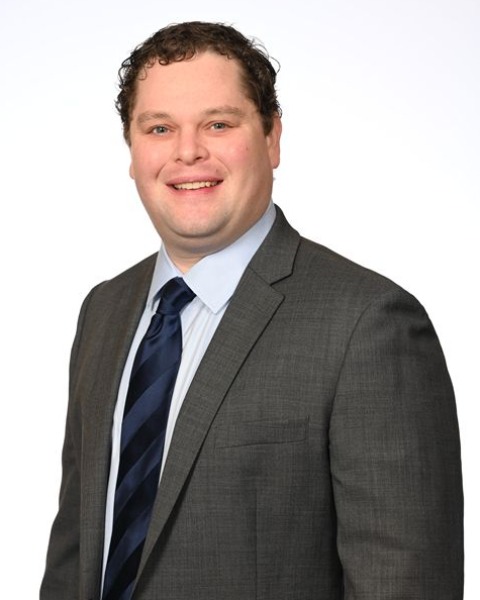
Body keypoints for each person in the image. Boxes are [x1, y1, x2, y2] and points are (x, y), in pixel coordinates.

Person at [40, 21, 463, 600]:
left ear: (272, 138)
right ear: (132, 151)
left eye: (218, 124)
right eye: (160, 128)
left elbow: (404, 584)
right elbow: (73, 553)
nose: (188, 151)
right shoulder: (104, 311)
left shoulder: (368, 324)